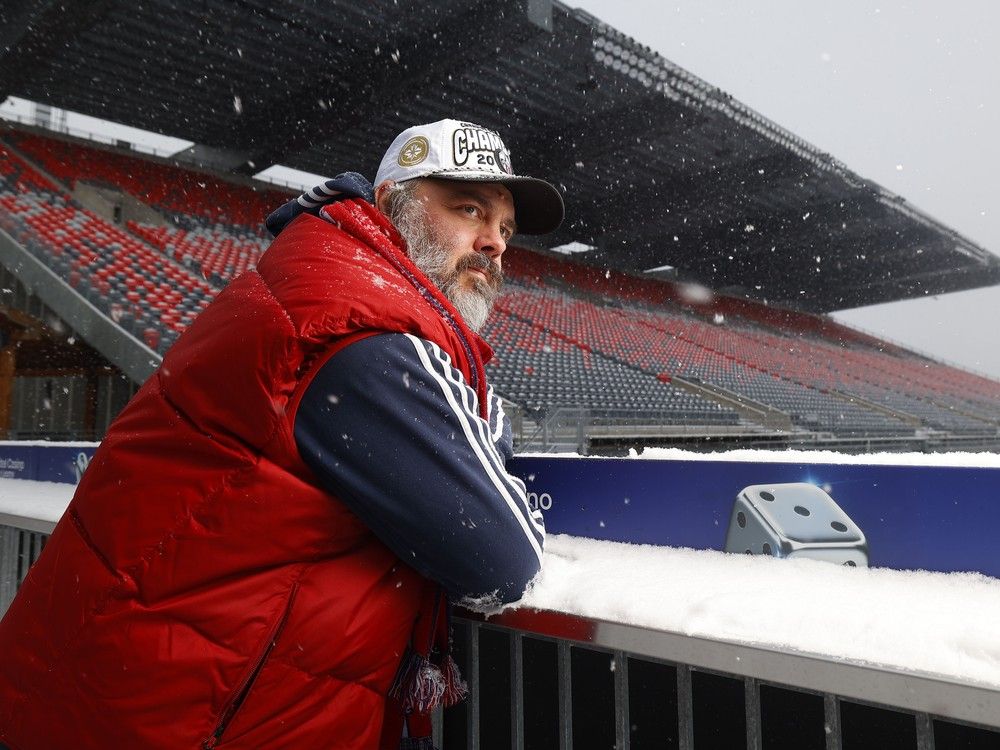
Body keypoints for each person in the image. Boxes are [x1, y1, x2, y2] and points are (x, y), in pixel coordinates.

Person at [0, 119, 564, 749]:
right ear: (390, 207)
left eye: (505, 228)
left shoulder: (318, 286)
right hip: (171, 714)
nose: (493, 243)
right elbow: (502, 559)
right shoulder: (362, 334)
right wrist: (490, 420)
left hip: (119, 692)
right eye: (468, 210)